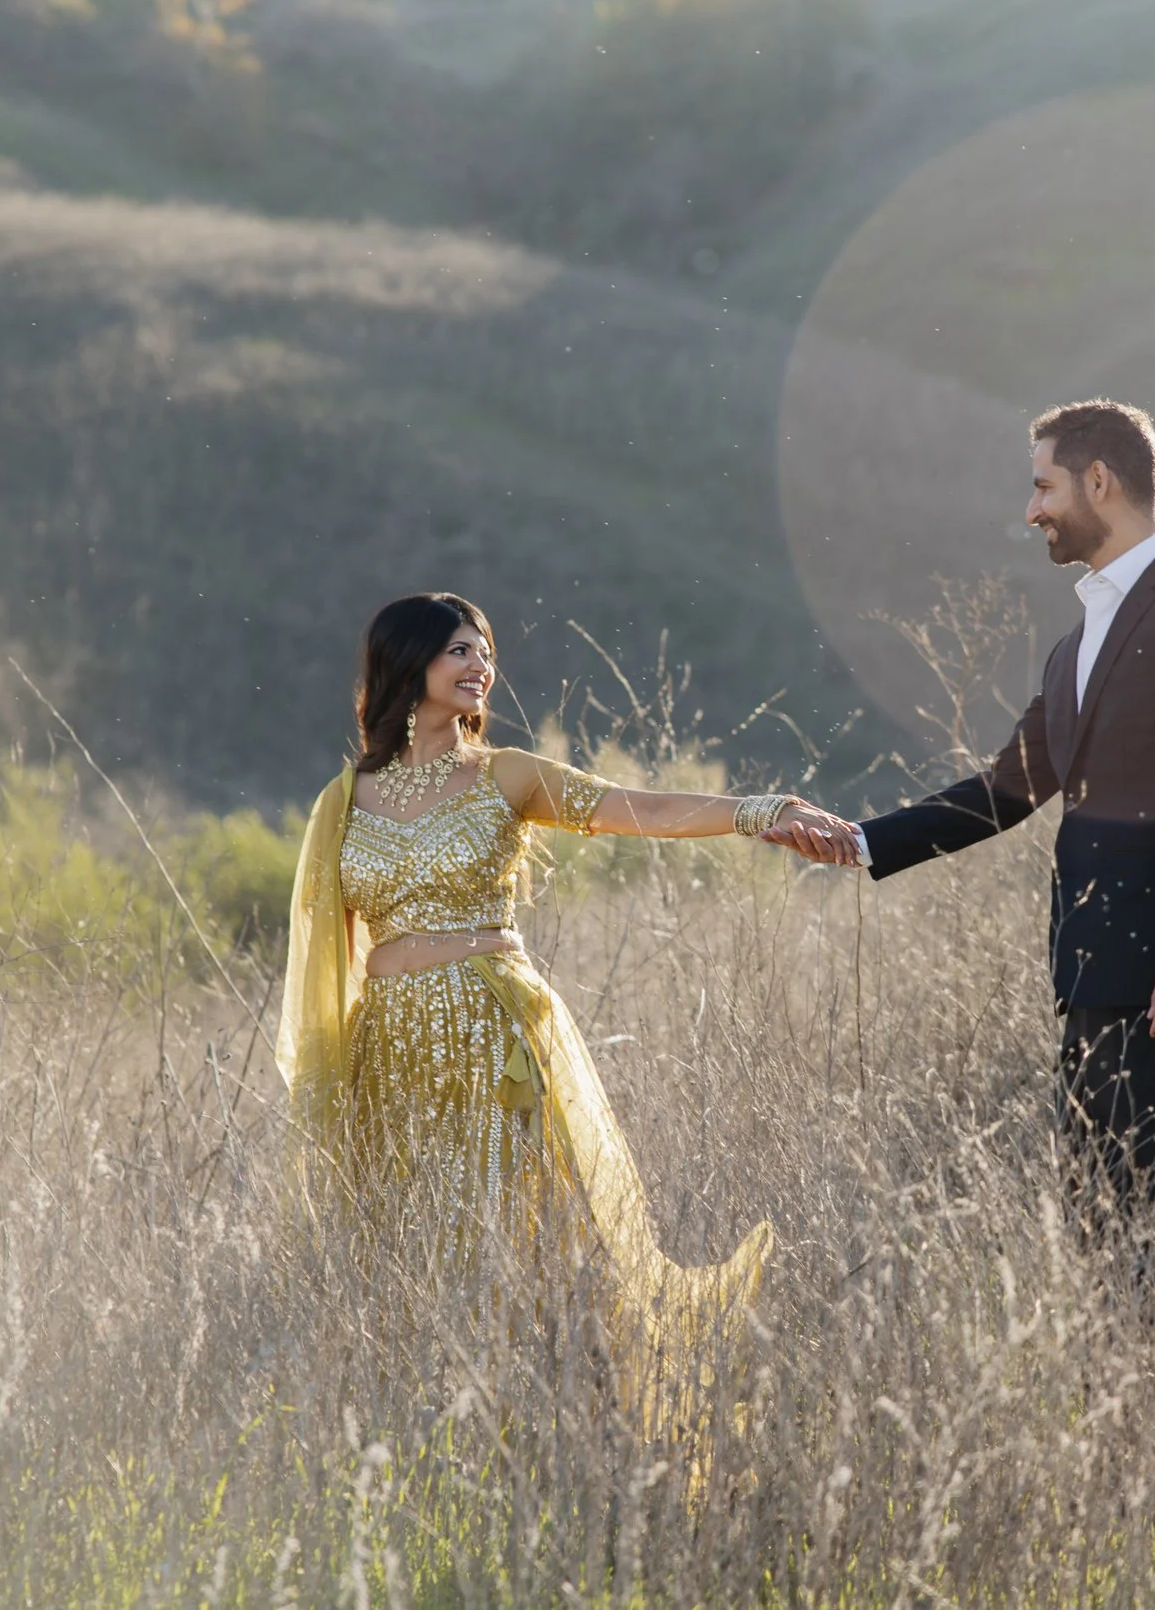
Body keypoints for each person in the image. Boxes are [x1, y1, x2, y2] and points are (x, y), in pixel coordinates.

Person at [781, 400, 1155, 1326]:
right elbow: (1006, 790)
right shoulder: (1072, 646)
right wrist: (855, 840)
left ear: (1101, 482)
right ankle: (1133, 1450)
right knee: (1101, 1240)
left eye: (1043, 484)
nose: (1031, 510)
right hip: (1086, 984)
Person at [276, 592, 830, 1406]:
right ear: (407, 661)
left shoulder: (506, 773)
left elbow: (635, 808)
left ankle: (552, 1411)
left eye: (485, 652)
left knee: (516, 1241)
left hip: (496, 1036)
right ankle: (417, 1426)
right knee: (406, 1246)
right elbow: (326, 956)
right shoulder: (345, 801)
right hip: (391, 1058)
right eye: (460, 650)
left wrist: (757, 811)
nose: (481, 666)